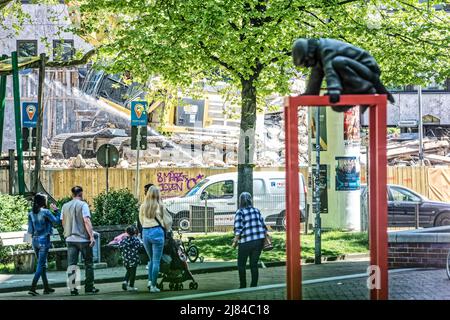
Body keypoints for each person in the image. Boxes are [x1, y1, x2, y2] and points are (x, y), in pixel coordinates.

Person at [61, 186, 99, 295]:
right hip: (83, 239)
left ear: (72, 194)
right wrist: (91, 236)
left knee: (72, 264)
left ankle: (73, 288)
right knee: (88, 263)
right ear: (81, 194)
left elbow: (63, 221)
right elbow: (86, 220)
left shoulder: (65, 206)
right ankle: (89, 287)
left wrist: (66, 233)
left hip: (70, 238)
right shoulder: (83, 205)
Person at [139, 185, 172, 293]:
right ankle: (153, 286)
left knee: (151, 259)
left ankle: (149, 281)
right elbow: (167, 221)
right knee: (156, 260)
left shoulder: (143, 206)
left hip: (145, 232)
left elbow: (141, 220)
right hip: (157, 232)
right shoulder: (160, 206)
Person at [27, 193, 61, 296]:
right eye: (46, 200)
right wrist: (56, 211)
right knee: (41, 265)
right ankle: (33, 288)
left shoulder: (31, 213)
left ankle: (46, 288)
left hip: (35, 241)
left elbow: (30, 230)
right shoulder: (46, 212)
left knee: (42, 265)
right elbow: (57, 222)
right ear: (43, 201)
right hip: (44, 241)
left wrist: (30, 241)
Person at [233, 192, 267, 289]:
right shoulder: (256, 210)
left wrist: (235, 241)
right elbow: (263, 226)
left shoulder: (240, 212)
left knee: (241, 265)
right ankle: (254, 285)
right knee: (254, 264)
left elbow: (238, 228)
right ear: (250, 200)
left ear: (240, 201)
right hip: (258, 241)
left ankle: (243, 285)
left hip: (245, 242)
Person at [119, 225, 143, 292]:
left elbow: (120, 246)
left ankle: (125, 281)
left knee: (128, 271)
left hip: (126, 258)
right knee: (133, 272)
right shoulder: (136, 240)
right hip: (134, 258)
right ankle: (131, 286)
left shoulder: (124, 240)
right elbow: (140, 247)